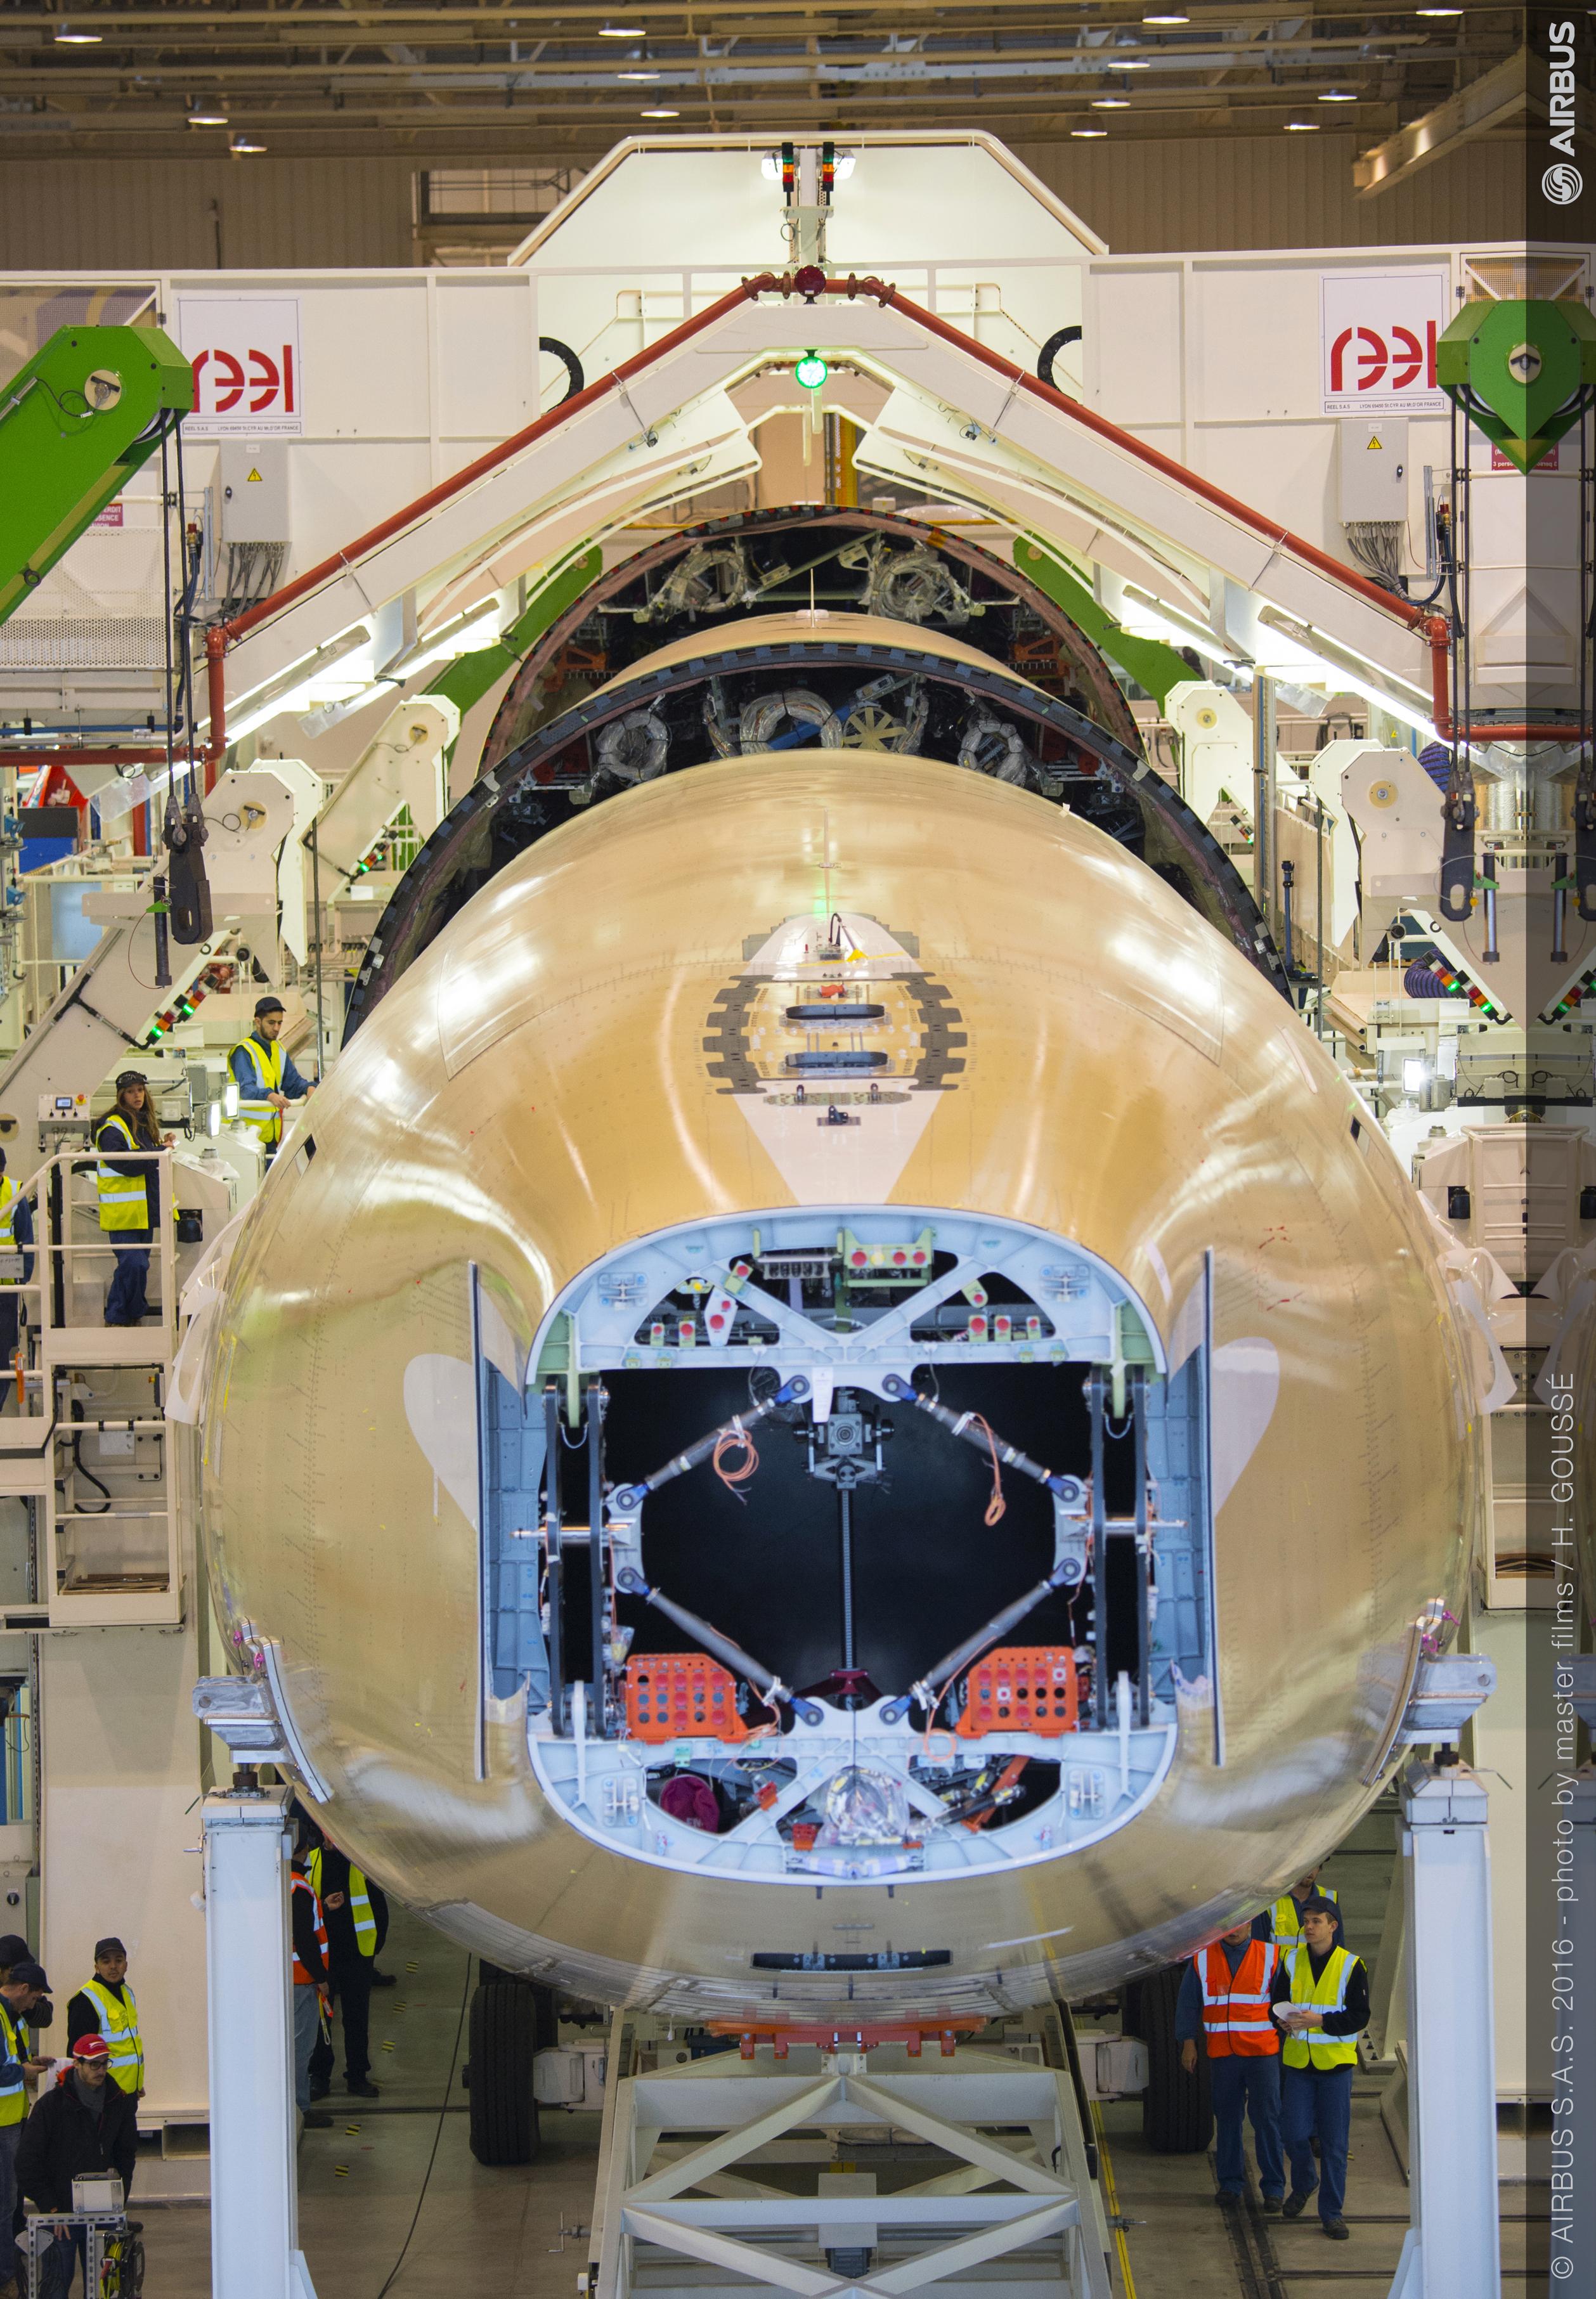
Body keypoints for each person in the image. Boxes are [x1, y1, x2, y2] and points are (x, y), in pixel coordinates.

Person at [1271, 1896, 1370, 2242]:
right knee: (1292, 2134)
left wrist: (1321, 2021)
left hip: (1335, 2067)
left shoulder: (1351, 1965)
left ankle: (1332, 2214)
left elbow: (1359, 2016)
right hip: (1299, 2063)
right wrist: (1281, 2021)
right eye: (1307, 1921)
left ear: (1333, 1926)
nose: (1309, 1927)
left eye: (1316, 1921)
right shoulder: (1291, 1960)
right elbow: (1276, 2004)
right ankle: (1305, 2182)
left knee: (1334, 2145)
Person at [15, 2037, 138, 2299]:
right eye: (94, 2065)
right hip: (61, 2215)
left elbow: (126, 2156)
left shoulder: (119, 2103)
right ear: (77, 2064)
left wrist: (119, 2200)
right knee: (55, 2287)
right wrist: (51, 2208)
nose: (101, 2071)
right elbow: (27, 2161)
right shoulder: (51, 2106)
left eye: (105, 2064)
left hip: (105, 2212)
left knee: (106, 2290)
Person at [1176, 1920, 1285, 2212]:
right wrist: (1188, 2043)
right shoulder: (1202, 1959)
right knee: (1227, 2119)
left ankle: (1274, 2188)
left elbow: (1284, 2004)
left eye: (1241, 1923)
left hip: (1262, 2055)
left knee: (1267, 2119)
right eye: (1229, 1925)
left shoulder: (1271, 1956)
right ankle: (1230, 2184)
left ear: (1251, 1923)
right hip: (1224, 2055)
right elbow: (1188, 2004)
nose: (1234, 1930)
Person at [305, 1831, 387, 2101]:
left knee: (357, 2019)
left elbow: (379, 1909)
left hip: (357, 1955)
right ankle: (319, 2077)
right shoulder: (311, 1862)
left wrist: (373, 1950)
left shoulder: (361, 1864)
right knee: (322, 2020)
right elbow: (303, 1911)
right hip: (324, 1958)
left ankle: (358, 2076)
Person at [93, 1073, 172, 1328]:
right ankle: (119, 1315)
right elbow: (126, 1163)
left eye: (140, 1090)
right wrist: (160, 1152)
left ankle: (131, 1315)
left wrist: (162, 1145)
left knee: (139, 1266)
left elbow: (143, 1156)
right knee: (135, 1264)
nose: (137, 1095)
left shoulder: (142, 1122)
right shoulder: (112, 1128)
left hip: (143, 1211)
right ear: (121, 1095)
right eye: (130, 1091)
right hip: (123, 1214)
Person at [0, 1962, 51, 2299]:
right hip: (3, 2123)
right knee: (5, 2205)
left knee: (10, 2202)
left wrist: (31, 2062)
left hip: (13, 2119)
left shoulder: (12, 2017)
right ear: (22, 1989)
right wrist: (25, 2071)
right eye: (35, 1997)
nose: (35, 2004)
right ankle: (6, 2277)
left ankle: (9, 2270)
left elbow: (12, 2060)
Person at [230, 997, 315, 1156]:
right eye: (271, 1023)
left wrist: (309, 1087)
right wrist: (270, 1095)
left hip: (269, 1139)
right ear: (258, 1022)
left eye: (280, 1023)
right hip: (243, 1138)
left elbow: (293, 1083)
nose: (276, 1028)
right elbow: (246, 1090)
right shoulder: (244, 1051)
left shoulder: (279, 1050)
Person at [65, 1943, 141, 2101]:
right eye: (106, 1961)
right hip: (102, 2093)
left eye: (118, 1960)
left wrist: (137, 2081)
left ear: (126, 1965)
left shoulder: (127, 1992)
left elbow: (130, 2042)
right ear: (97, 1967)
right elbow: (77, 2052)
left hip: (128, 2091)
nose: (113, 1966)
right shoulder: (85, 2000)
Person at [290, 1855, 333, 2131]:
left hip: (287, 1978)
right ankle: (301, 2110)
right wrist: (321, 1977)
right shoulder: (299, 1886)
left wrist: (323, 1908)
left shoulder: (280, 1880)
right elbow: (304, 1938)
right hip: (303, 1979)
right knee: (301, 2050)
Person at [0, 1155, 34, 1405]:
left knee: (2, 1348)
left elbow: (26, 1241)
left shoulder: (14, 1193)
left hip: (5, 1289)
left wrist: (23, 1279)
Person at [1255, 1865, 1343, 1951]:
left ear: (1320, 1868)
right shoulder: (1270, 1899)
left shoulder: (1330, 1898)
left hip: (1317, 1961)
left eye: (1315, 1865)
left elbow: (1338, 1947)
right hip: (1280, 1961)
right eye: (1306, 1864)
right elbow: (1258, 1948)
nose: (1310, 1871)